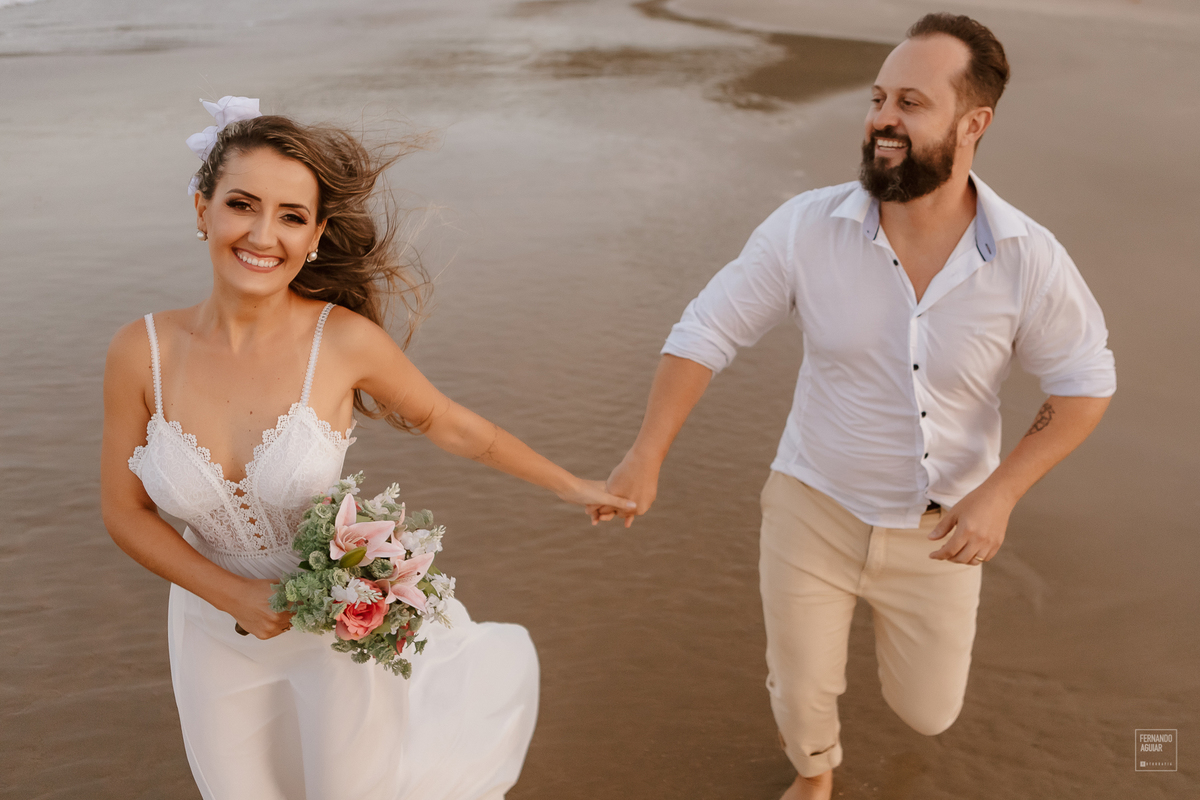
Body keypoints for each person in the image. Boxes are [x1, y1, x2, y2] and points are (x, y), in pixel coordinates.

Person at [590, 14, 1115, 800]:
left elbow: (1083, 383)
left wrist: (1000, 494)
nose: (882, 119)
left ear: (974, 124)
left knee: (928, 713)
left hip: (942, 531)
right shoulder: (806, 227)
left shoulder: (1025, 259)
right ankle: (816, 772)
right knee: (799, 690)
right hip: (813, 504)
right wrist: (647, 452)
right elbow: (707, 329)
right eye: (877, 98)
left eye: (911, 101)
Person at [100, 97, 636, 800]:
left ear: (316, 234)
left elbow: (451, 424)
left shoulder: (342, 342)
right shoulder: (141, 351)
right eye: (242, 204)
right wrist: (233, 594)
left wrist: (573, 484)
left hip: (337, 627)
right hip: (210, 629)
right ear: (201, 208)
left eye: (292, 216)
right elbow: (124, 510)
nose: (264, 234)